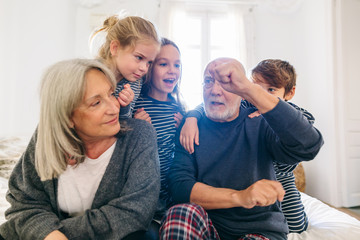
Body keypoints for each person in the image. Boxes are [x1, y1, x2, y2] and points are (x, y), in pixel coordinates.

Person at [159, 58, 324, 240]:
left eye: (226, 83)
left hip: (260, 230)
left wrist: (250, 89)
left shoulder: (260, 122)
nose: (215, 91)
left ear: (242, 90)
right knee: (179, 213)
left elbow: (309, 146)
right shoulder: (190, 129)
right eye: (208, 81)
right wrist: (240, 197)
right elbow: (181, 188)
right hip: (209, 225)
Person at [0, 59, 160, 240]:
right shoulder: (46, 137)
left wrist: (52, 232)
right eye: (96, 103)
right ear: (67, 117)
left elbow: (135, 212)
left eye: (111, 93)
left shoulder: (139, 135)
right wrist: (49, 234)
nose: (114, 108)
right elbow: (23, 204)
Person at [133, 38, 185, 238]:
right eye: (164, 64)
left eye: (177, 65)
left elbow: (181, 155)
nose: (172, 70)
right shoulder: (137, 105)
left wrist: (183, 130)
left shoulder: (179, 109)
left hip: (171, 196)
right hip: (144, 197)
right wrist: (137, 128)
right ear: (149, 68)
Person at [92, 15, 161, 119]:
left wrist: (125, 106)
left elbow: (124, 122)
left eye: (149, 62)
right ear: (115, 48)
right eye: (139, 57)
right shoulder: (91, 73)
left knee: (143, 126)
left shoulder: (135, 82)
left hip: (112, 128)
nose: (144, 68)